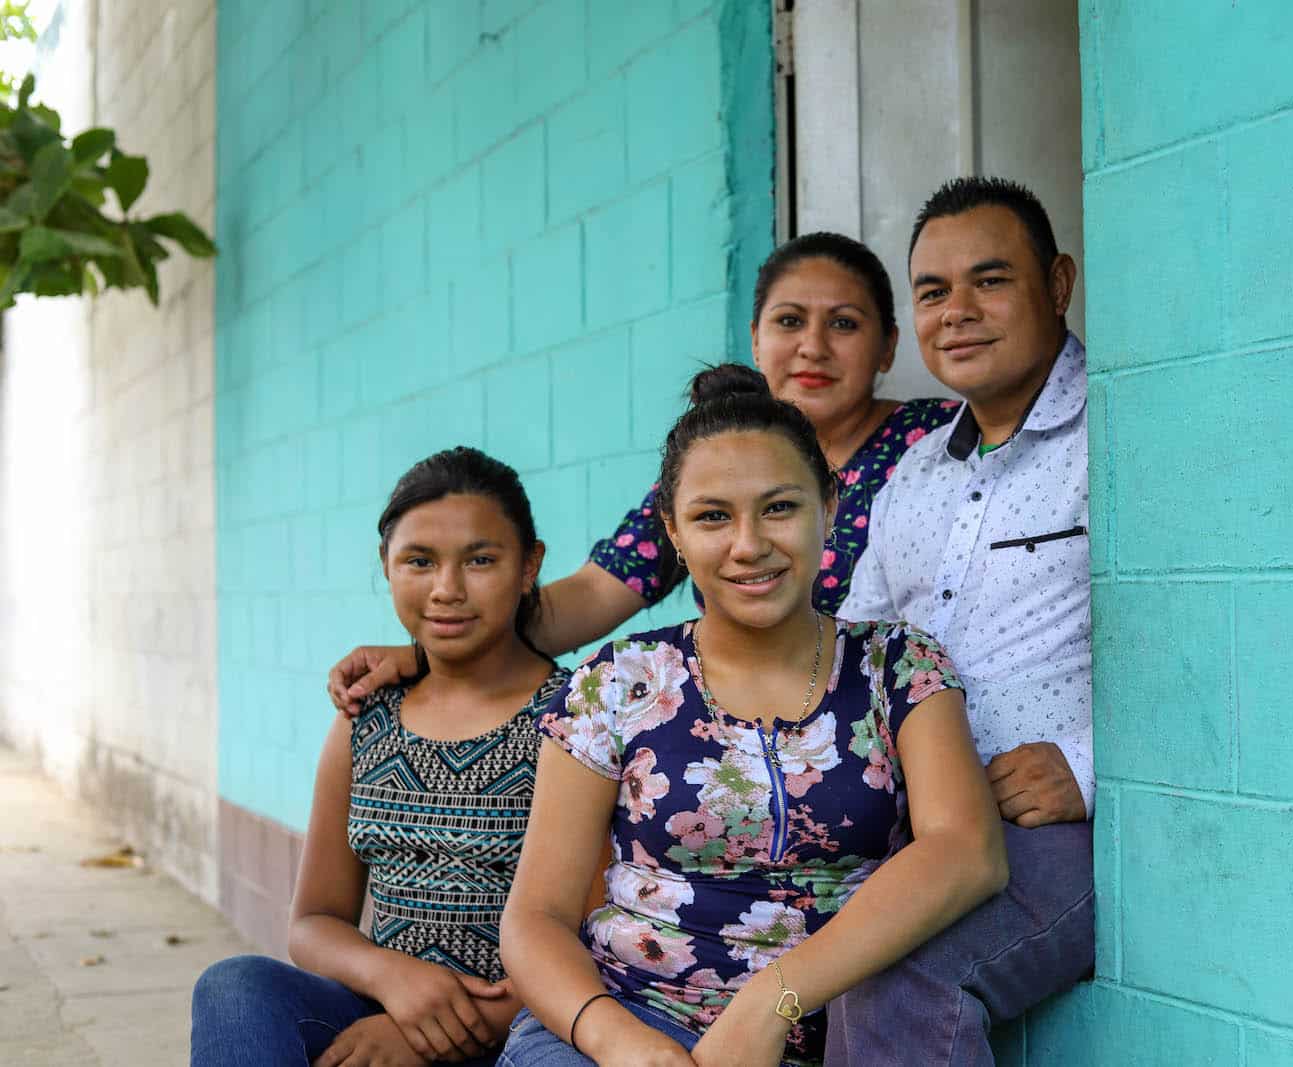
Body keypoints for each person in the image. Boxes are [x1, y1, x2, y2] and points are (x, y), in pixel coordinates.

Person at [492, 366, 1007, 1066]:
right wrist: (622, 1044)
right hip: (624, 1024)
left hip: (839, 1036)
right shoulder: (616, 681)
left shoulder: (901, 668)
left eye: (779, 508)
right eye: (712, 516)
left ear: (829, 503)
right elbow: (535, 918)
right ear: (673, 530)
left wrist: (774, 998)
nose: (748, 544)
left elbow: (966, 851)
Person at [323, 233, 961, 712]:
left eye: (844, 324)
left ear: (888, 346)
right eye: (789, 321)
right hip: (748, 744)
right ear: (756, 337)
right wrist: (430, 654)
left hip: (911, 725)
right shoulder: (704, 472)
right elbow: (583, 602)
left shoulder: (939, 444)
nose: (813, 347)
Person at [826, 177, 1096, 1066]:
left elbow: (1224, 648)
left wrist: (1089, 768)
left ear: (1057, 285)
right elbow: (850, 648)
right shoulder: (916, 478)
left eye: (991, 280)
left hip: (1048, 833)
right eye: (934, 292)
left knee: (898, 983)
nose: (958, 312)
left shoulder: (1122, 436)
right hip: (920, 824)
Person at [191, 448, 570, 1067]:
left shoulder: (574, 716)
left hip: (530, 1020)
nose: (447, 590)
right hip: (385, 1005)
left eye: (480, 560)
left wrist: (433, 1032)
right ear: (386, 566)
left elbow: (600, 932)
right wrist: (394, 981)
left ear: (529, 566)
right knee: (235, 988)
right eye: (419, 561)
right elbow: (313, 920)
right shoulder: (366, 719)